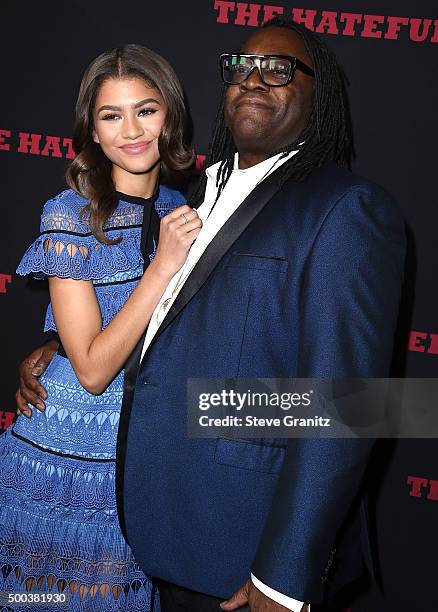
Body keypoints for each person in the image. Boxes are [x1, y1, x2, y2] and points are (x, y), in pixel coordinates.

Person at [17, 17, 406, 612]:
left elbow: (351, 404)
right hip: (140, 507)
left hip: (233, 538)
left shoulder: (344, 208)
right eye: (240, 68)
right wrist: (60, 346)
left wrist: (285, 573)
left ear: (318, 92)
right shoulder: (199, 193)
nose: (253, 79)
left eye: (277, 69)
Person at [4, 43, 202, 610]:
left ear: (170, 117)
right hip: (61, 460)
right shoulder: (70, 213)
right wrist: (164, 265)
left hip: (144, 463)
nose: (132, 130)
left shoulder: (186, 214)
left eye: (147, 109)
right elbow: (90, 369)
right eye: (111, 115)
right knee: (38, 602)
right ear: (91, 130)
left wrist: (48, 343)